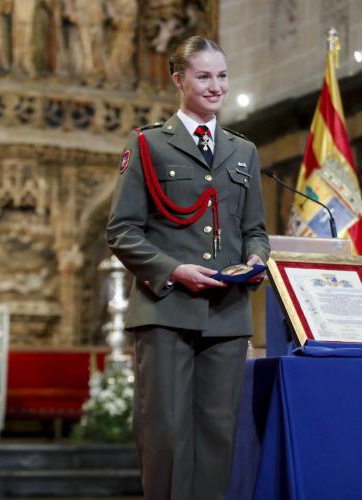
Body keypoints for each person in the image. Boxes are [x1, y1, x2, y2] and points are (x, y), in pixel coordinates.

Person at [106, 35, 269, 500]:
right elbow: (122, 231)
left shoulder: (243, 151)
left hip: (227, 312)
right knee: (166, 435)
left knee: (218, 437)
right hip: (166, 309)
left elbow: (255, 229)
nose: (216, 86)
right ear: (178, 80)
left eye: (222, 75)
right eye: (204, 76)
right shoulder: (148, 144)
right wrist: (174, 271)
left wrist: (257, 257)